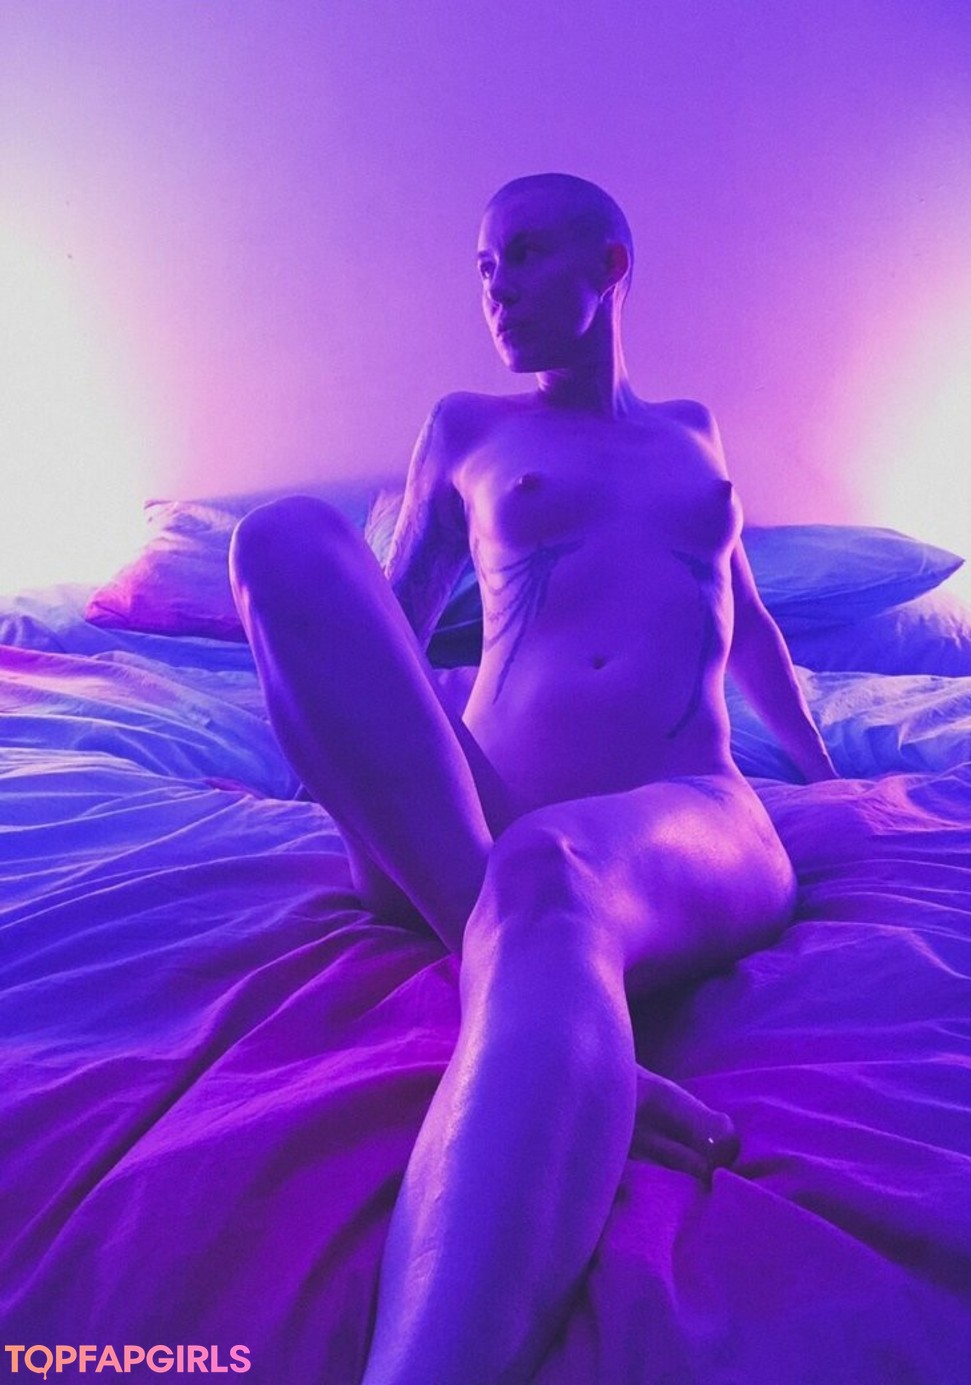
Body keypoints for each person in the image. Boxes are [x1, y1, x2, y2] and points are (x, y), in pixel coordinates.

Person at [229, 172, 838, 1384]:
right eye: (483, 265)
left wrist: (823, 775)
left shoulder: (695, 435)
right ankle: (551, 1007)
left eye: (524, 254)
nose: (495, 287)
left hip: (683, 809)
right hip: (468, 819)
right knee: (283, 539)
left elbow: (752, 625)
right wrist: (339, 761)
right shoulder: (465, 429)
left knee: (551, 869)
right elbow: (393, 622)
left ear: (609, 267)